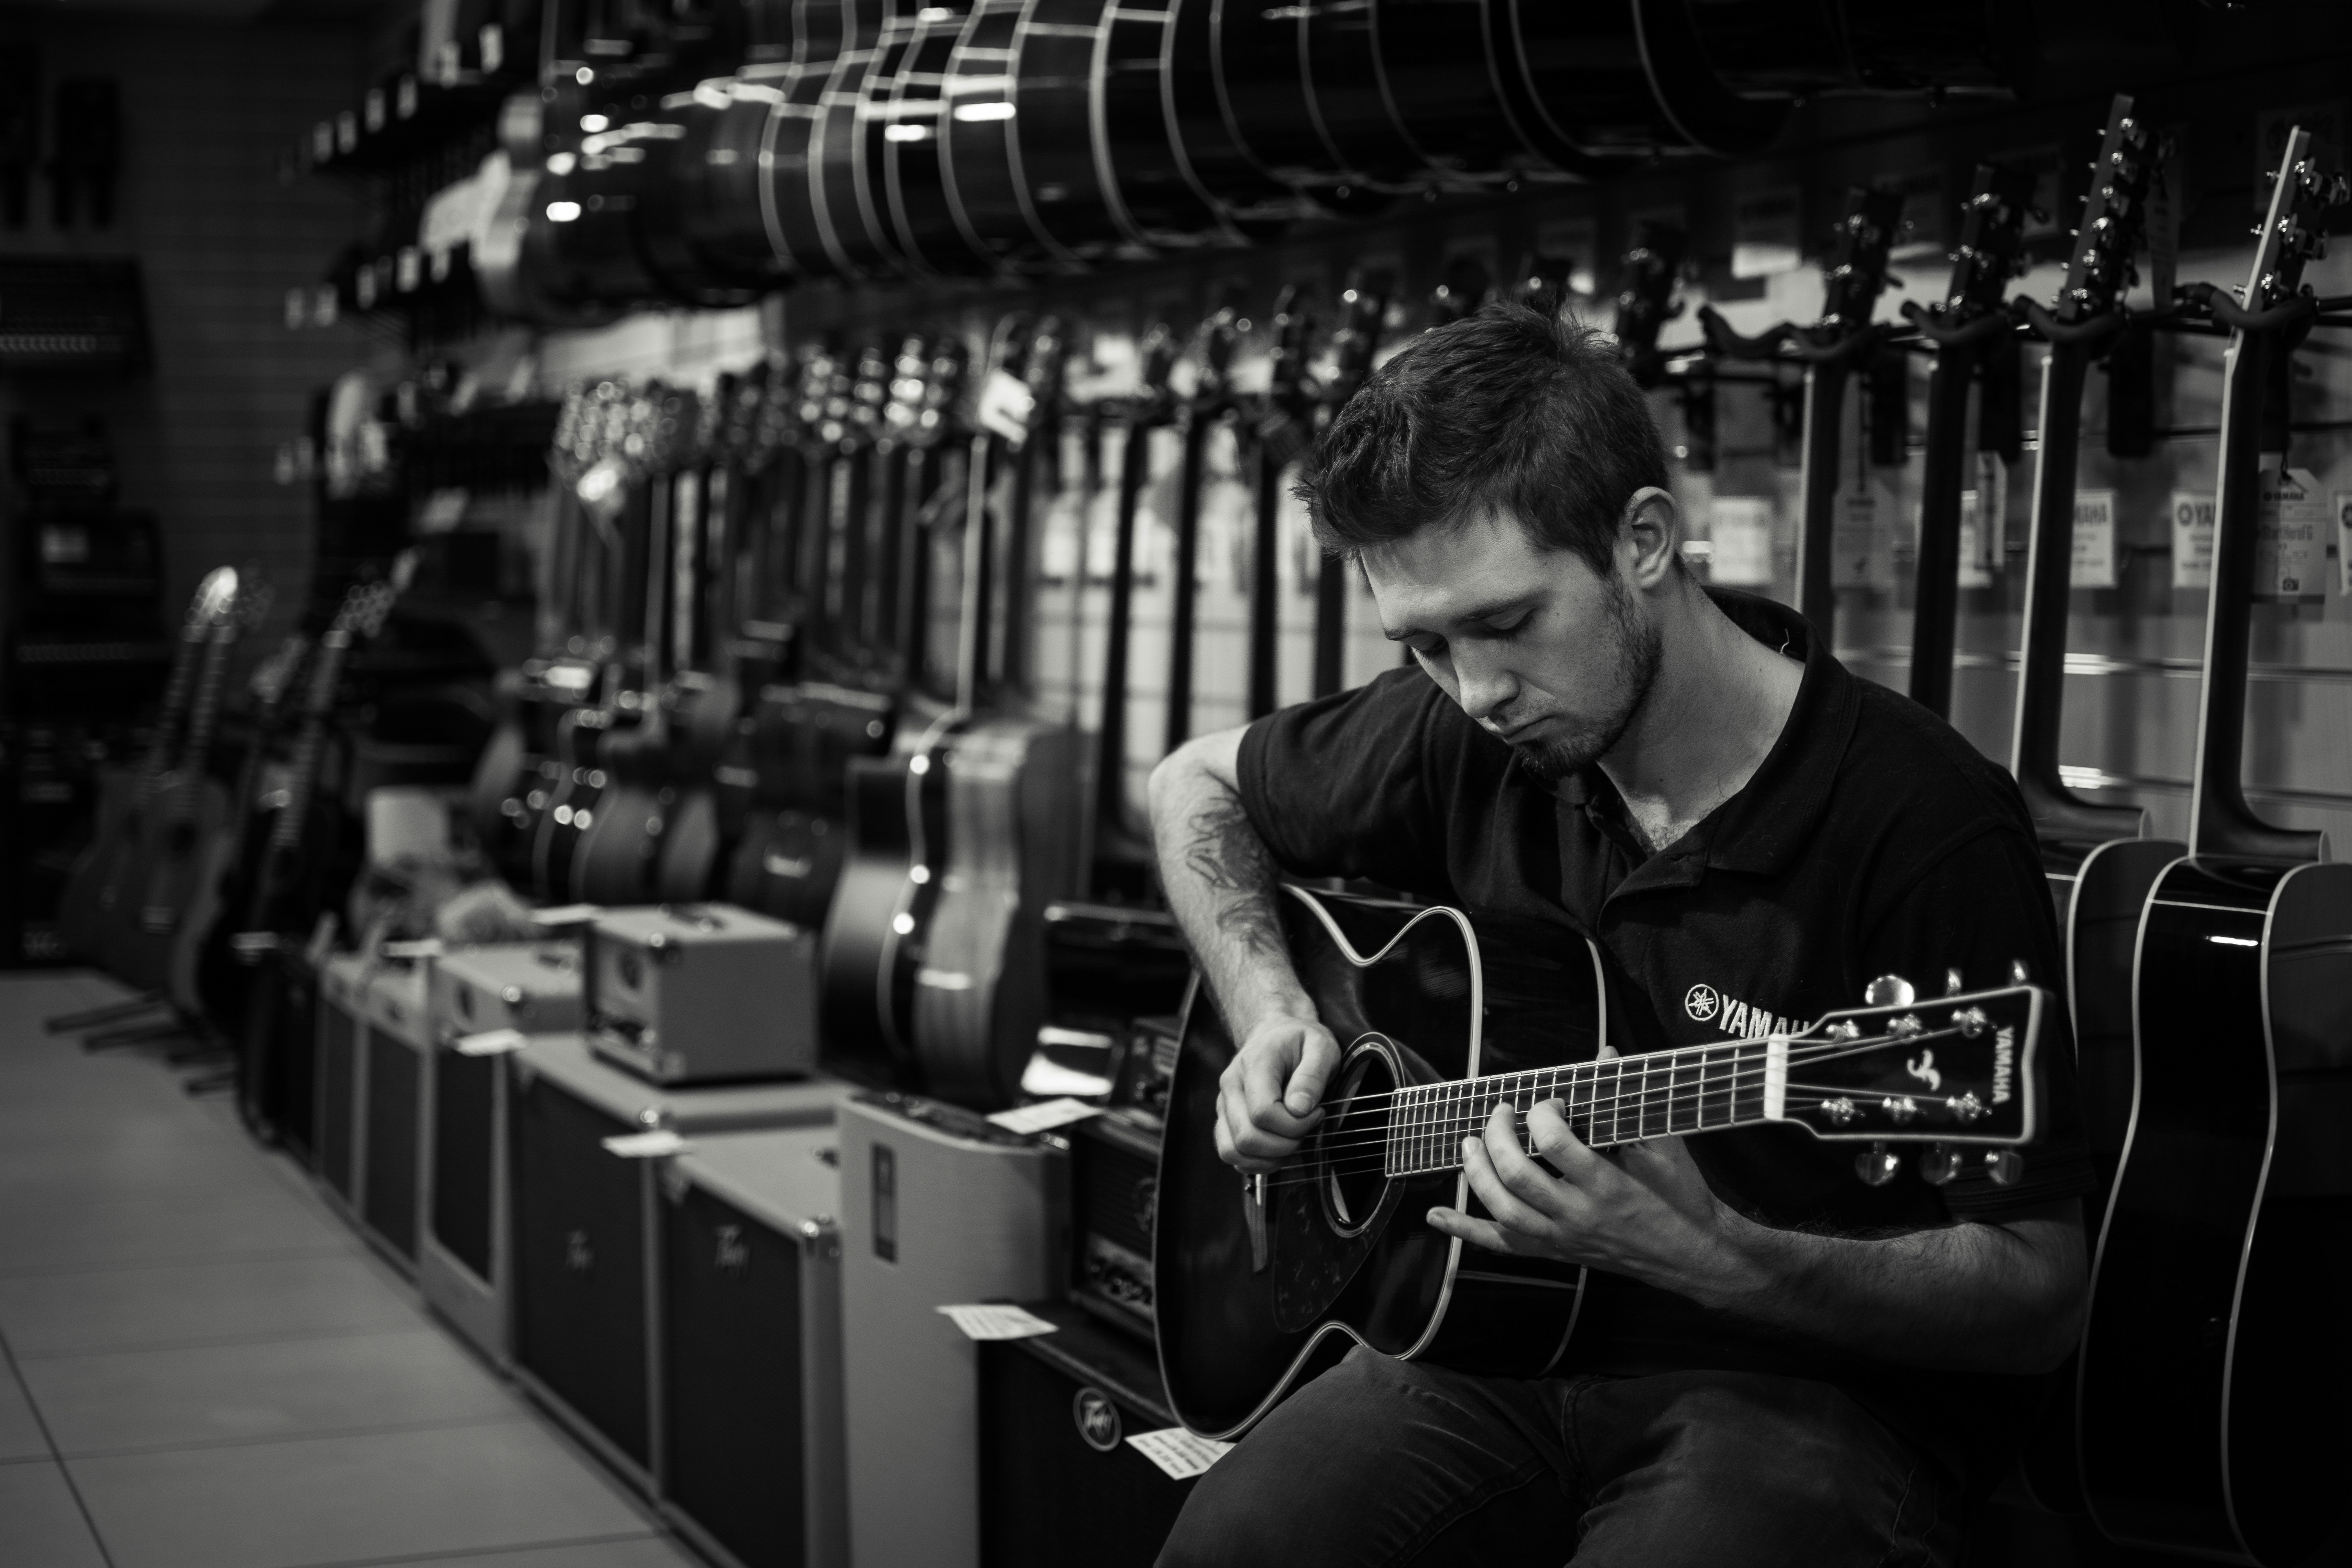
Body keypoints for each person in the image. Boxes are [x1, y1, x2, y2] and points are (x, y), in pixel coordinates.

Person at [1145, 306, 2093, 1567]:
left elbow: (2039, 1294)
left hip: (1799, 1386)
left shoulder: (1918, 821)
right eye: (1425, 646)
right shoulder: (1468, 726)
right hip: (1488, 1342)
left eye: (1506, 624)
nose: (1476, 692)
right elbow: (1193, 786)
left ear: (1643, 541)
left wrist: (1724, 1257)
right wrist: (1271, 1009)